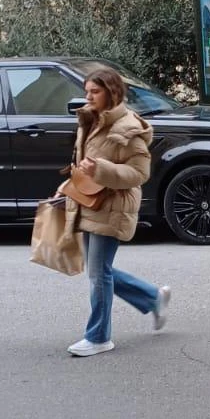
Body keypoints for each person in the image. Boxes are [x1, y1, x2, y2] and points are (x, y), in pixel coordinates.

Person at [66, 67, 169, 357]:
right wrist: (69, 186)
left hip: (113, 206)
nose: (88, 97)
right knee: (98, 270)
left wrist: (101, 169)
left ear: (112, 93)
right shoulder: (90, 120)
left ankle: (99, 337)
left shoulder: (127, 128)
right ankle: (152, 297)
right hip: (90, 202)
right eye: (87, 91)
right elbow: (84, 164)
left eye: (95, 91)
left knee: (98, 273)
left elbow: (139, 173)